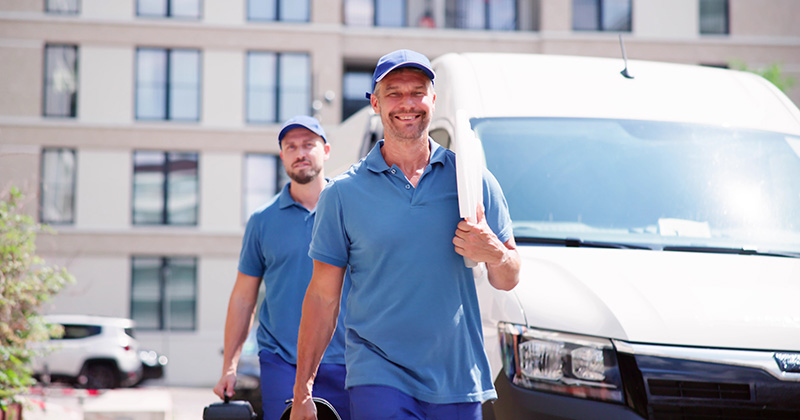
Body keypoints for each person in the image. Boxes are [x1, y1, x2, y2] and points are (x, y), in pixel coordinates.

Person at [290, 50, 521, 420]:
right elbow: (322, 298)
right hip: (378, 373)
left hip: (458, 378)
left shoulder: (471, 180)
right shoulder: (343, 194)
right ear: (375, 103)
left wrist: (494, 252)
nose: (407, 104)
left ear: (434, 100)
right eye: (394, 93)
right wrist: (303, 390)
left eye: (417, 92)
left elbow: (508, 278)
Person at [214, 115, 351, 420]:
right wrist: (229, 367)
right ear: (282, 156)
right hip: (282, 361)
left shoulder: (350, 210)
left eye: (308, 144)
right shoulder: (262, 221)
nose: (300, 153)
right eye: (291, 147)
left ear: (326, 150)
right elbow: (243, 298)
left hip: (346, 360)